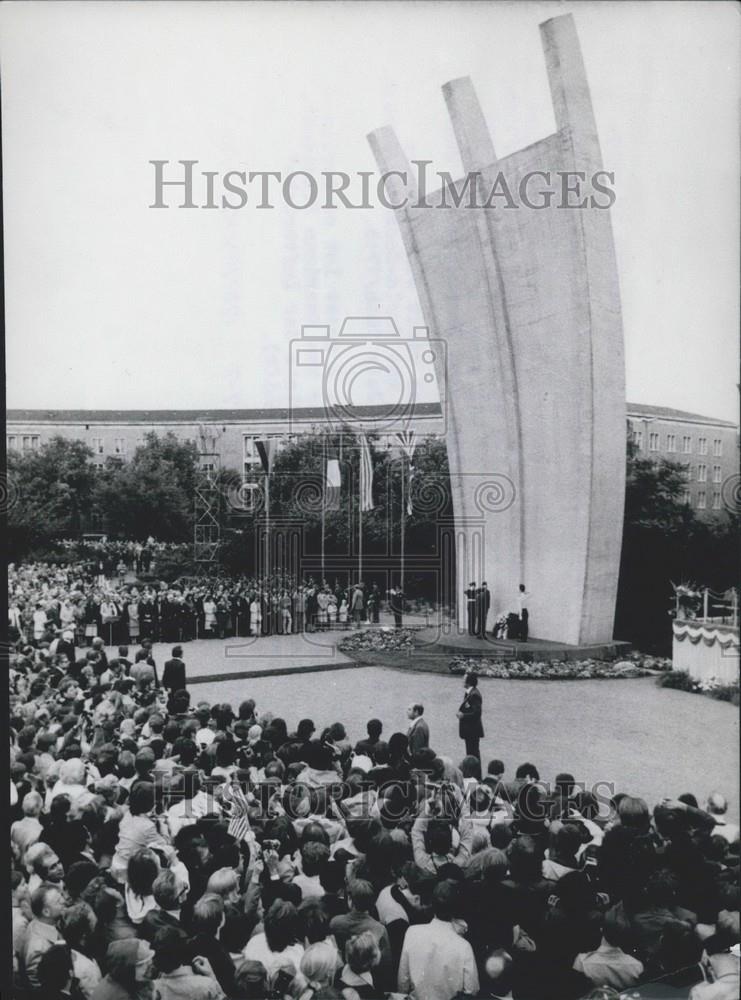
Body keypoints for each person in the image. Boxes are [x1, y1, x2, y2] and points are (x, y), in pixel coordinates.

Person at [397, 880, 479, 1000]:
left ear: (432, 905)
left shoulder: (412, 932)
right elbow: (471, 990)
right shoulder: (464, 946)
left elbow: (403, 980)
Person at [457, 672, 484, 760]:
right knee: (471, 754)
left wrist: (463, 716)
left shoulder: (474, 695)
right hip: (470, 730)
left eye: (464, 679)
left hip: (472, 731)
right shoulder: (470, 693)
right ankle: (474, 773)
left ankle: (475, 773)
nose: (462, 681)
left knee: (473, 755)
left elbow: (477, 713)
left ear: (468, 682)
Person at [162, 647, 187, 712]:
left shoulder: (167, 663)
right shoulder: (181, 664)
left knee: (171, 702)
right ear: (180, 654)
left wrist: (166, 687)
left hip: (170, 688)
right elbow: (182, 680)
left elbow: (165, 677)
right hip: (178, 688)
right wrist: (184, 691)